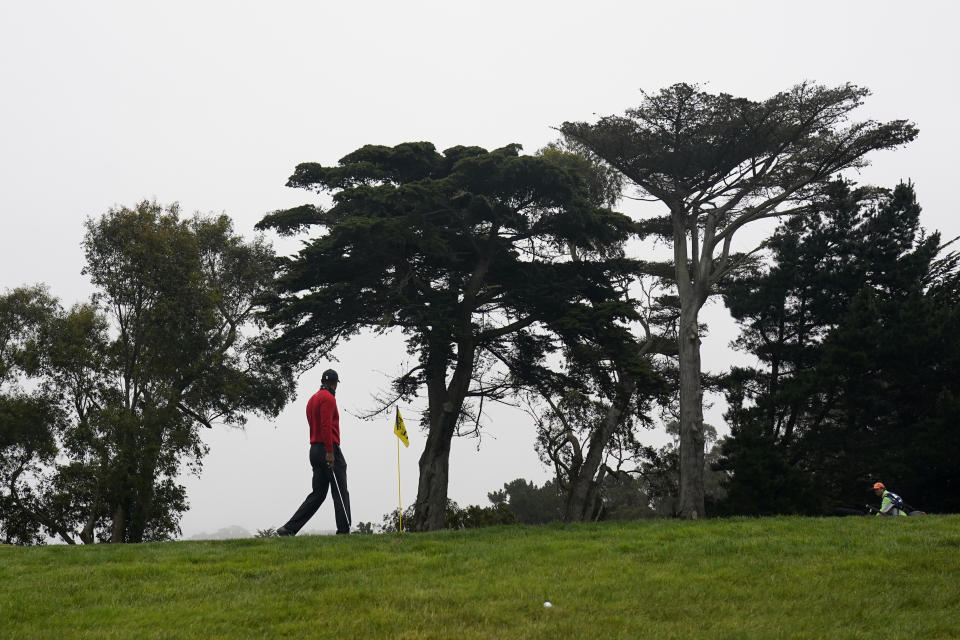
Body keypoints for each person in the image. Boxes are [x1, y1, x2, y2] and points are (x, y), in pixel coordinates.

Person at [276, 369, 351, 535]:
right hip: (328, 447)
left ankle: (289, 528)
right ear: (334, 383)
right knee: (340, 490)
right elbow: (325, 426)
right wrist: (330, 451)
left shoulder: (312, 399)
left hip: (314, 450)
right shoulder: (329, 399)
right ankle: (344, 531)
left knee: (318, 494)